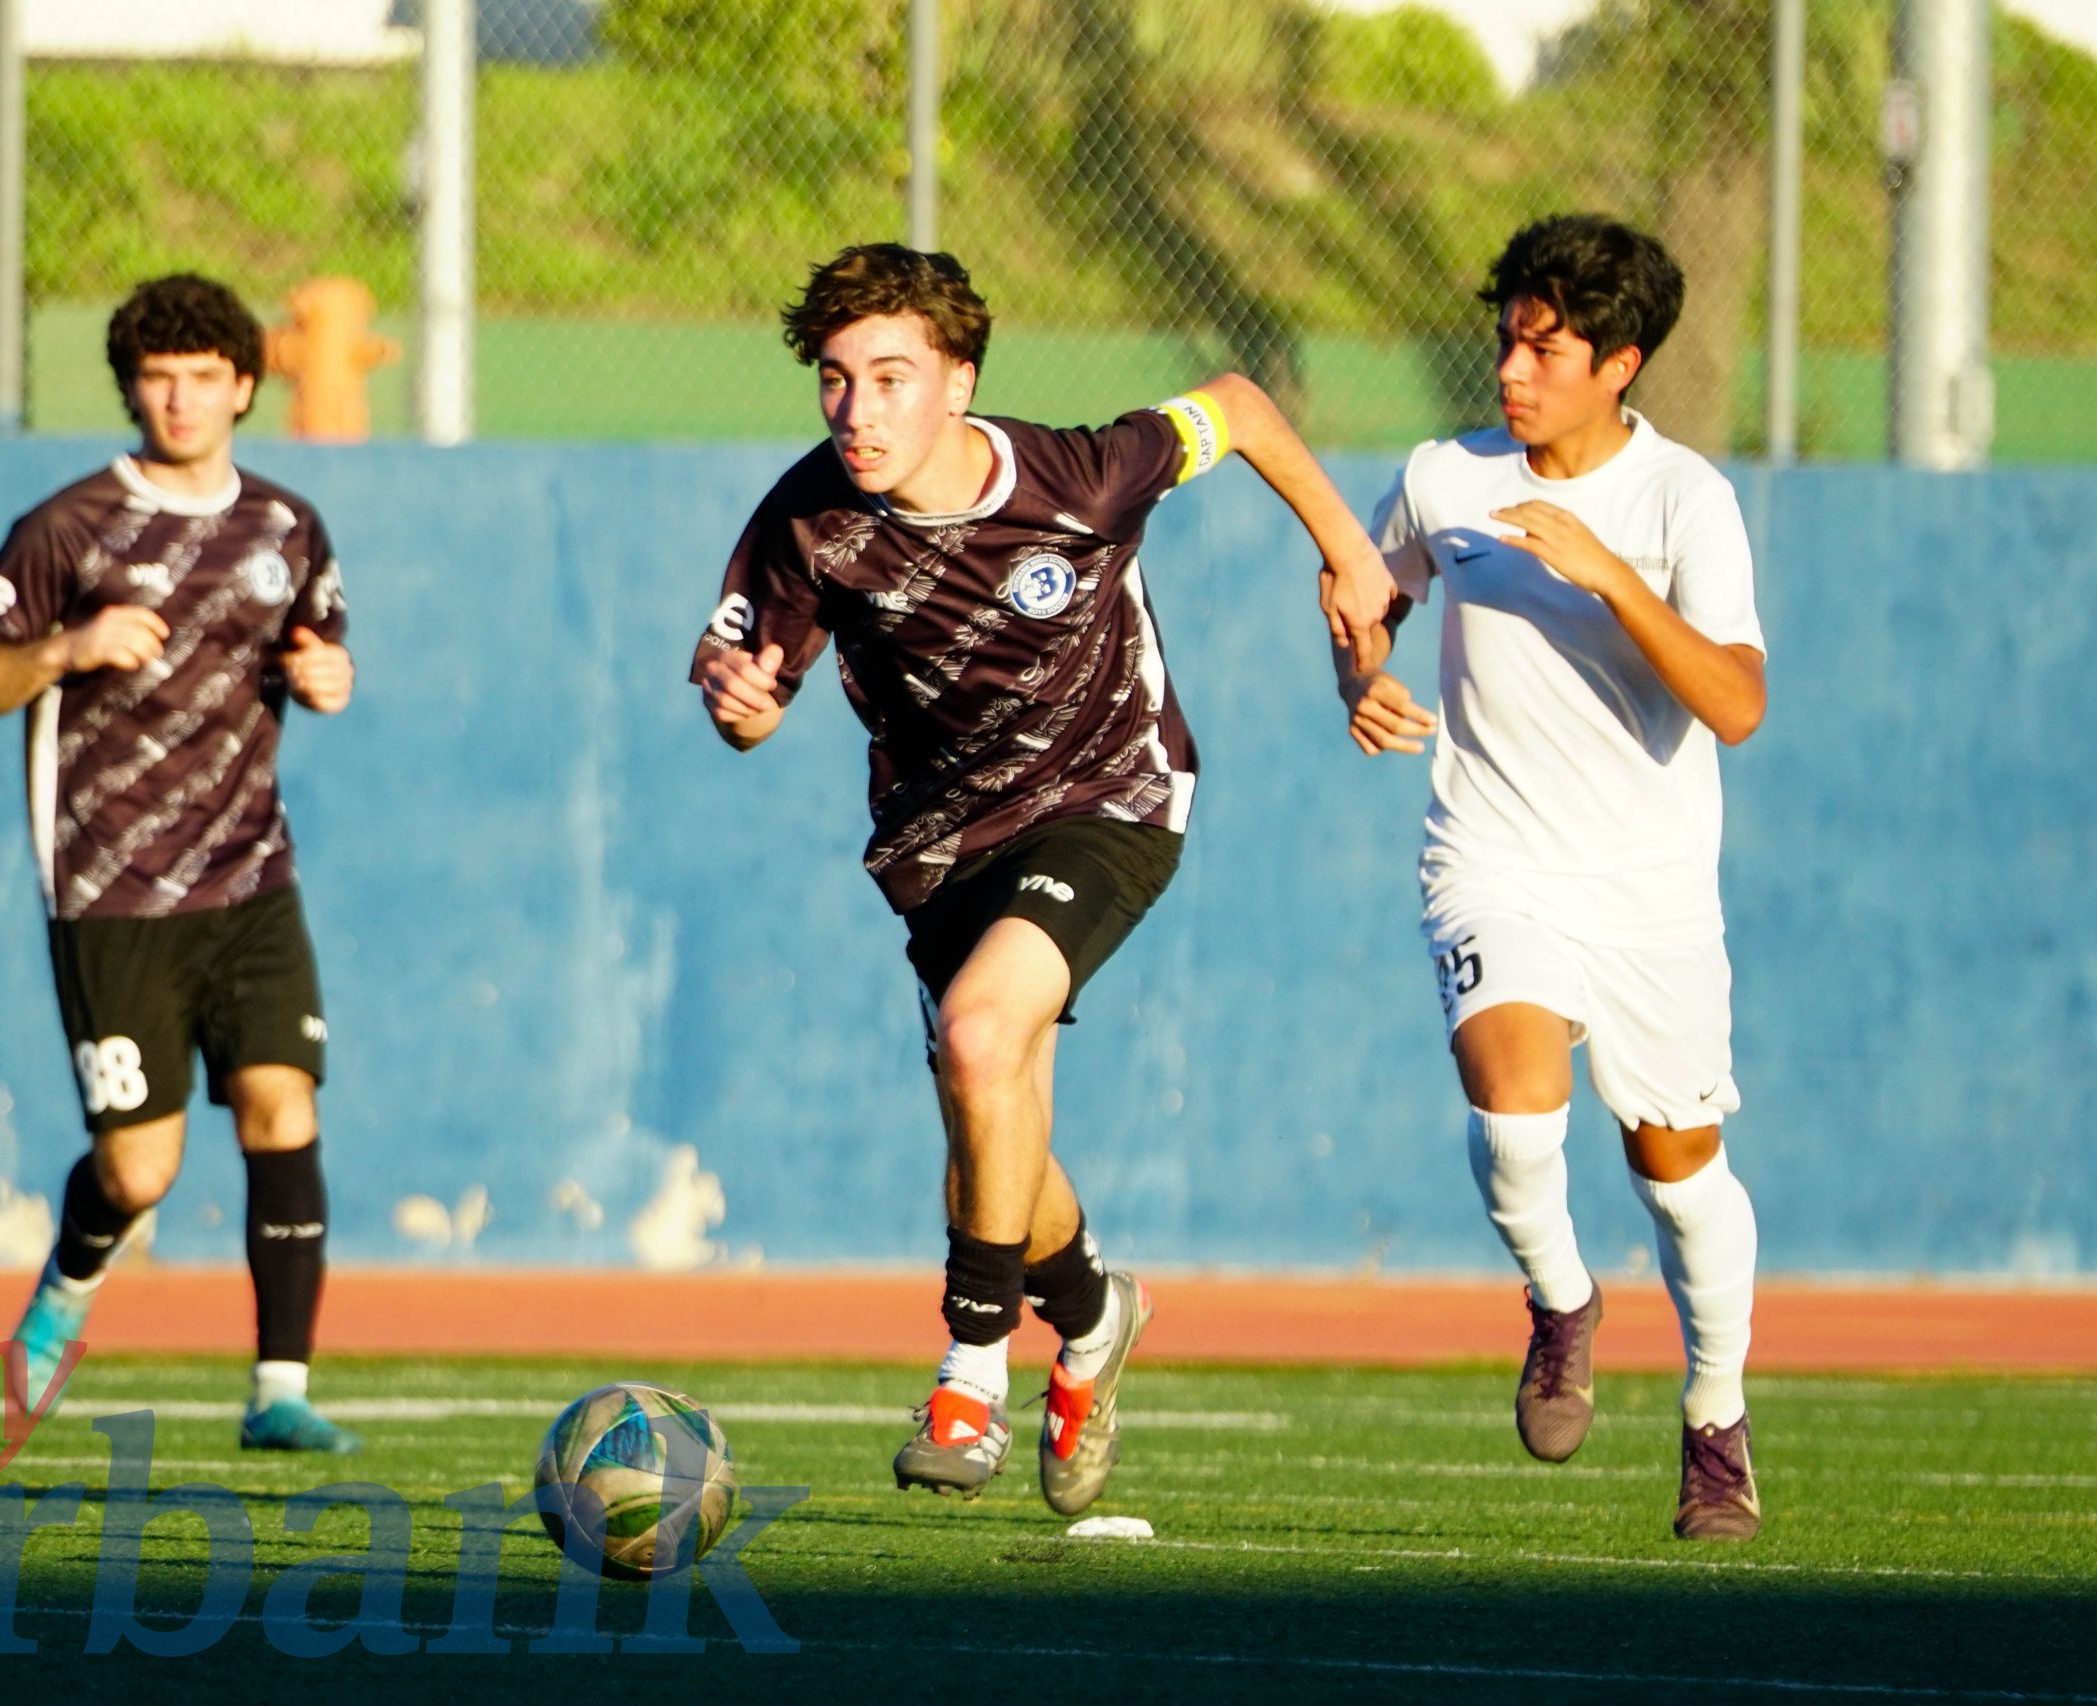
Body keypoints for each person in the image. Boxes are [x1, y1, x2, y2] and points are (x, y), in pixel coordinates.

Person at [692, 242, 1395, 1510]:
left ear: (959, 381)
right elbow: (751, 699)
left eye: (891, 377)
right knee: (992, 1117)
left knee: (980, 1034)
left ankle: (971, 1374)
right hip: (937, 845)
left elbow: (1238, 406)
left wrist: (1347, 547)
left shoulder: (1082, 474)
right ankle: (1092, 1312)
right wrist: (741, 707)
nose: (858, 410)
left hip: (1107, 796)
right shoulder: (808, 521)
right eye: (837, 378)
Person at [1335, 215, 1769, 1538]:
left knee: (1678, 1174)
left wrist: (1610, 577)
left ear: (1619, 364)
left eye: (1545, 349)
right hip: (1491, 853)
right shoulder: (1442, 476)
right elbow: (1365, 593)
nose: (1512, 371)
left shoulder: (1685, 498)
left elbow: (1736, 703)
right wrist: (1360, 673)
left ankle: (1714, 1413)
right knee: (1516, 1105)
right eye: (1506, 341)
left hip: (1650, 890)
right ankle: (1563, 1298)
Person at [0, 273, 361, 1453]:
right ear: (130, 389)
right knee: (140, 1169)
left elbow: (316, 648)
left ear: (244, 388)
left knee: (281, 1103)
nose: (181, 400)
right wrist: (67, 646)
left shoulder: (286, 527)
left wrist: (328, 676)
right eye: (158, 378)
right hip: (110, 889)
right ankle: (67, 1286)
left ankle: (280, 1389)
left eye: (203, 378)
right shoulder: (68, 527)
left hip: (250, 875)